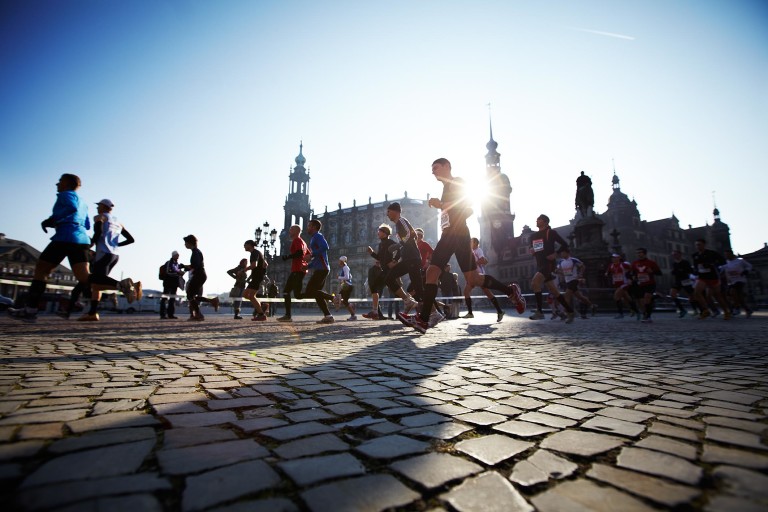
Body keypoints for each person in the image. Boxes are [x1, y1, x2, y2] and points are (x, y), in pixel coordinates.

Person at [405, 158, 523, 333]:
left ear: (447, 166)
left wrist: (441, 205)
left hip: (457, 233)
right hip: (450, 234)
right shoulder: (446, 187)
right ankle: (510, 290)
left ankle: (425, 318)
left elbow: (467, 208)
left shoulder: (458, 182)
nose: (433, 171)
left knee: (434, 272)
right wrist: (442, 207)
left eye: (436, 167)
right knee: (473, 279)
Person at [10, 175, 94, 321]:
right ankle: (120, 284)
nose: (57, 184)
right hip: (81, 239)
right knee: (84, 277)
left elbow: (71, 208)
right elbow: (87, 225)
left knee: (42, 269)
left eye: (60, 181)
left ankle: (30, 309)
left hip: (64, 237)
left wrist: (52, 219)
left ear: (67, 183)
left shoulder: (65, 195)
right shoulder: (84, 203)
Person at [77, 199, 142, 321]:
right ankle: (92, 313)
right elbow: (131, 239)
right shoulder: (118, 222)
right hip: (114, 255)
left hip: (103, 253)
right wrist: (116, 244)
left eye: (99, 205)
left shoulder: (100, 217)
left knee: (94, 279)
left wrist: (91, 244)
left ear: (104, 206)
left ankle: (126, 285)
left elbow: (98, 231)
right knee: (97, 285)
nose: (97, 208)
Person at [527, 214, 575, 323]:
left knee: (535, 283)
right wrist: (531, 250)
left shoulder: (551, 232)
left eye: (539, 220)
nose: (536, 221)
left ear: (545, 222)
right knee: (554, 291)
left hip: (548, 264)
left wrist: (556, 254)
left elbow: (564, 244)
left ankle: (539, 312)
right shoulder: (533, 236)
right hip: (540, 263)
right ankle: (570, 311)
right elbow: (532, 247)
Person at [383, 202, 421, 312]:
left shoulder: (401, 221)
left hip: (413, 258)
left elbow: (411, 233)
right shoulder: (397, 226)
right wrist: (395, 259)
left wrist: (399, 243)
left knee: (418, 288)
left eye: (388, 211)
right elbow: (402, 246)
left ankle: (432, 312)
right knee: (389, 278)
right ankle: (408, 300)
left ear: (395, 211)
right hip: (407, 259)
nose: (387, 214)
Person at [463, 237, 506, 322]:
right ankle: (470, 313)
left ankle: (500, 311)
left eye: (471, 241)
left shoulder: (478, 250)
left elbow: (483, 261)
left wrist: (474, 264)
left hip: (479, 275)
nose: (470, 243)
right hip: (473, 275)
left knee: (488, 293)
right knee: (466, 292)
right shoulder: (471, 251)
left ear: (475, 243)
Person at [276, 224, 310, 322]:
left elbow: (299, 253)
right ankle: (316, 294)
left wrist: (287, 257)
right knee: (298, 295)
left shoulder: (297, 240)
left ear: (295, 231)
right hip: (301, 270)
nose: (289, 232)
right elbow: (308, 255)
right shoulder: (304, 242)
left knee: (286, 291)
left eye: (291, 230)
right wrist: (304, 263)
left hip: (297, 270)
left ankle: (288, 316)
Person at [181, 234, 219, 321]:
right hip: (200, 275)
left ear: (189, 243)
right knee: (192, 296)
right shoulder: (196, 252)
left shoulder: (195, 252)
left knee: (190, 295)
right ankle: (212, 301)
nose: (185, 245)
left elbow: (195, 265)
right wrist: (184, 267)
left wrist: (184, 267)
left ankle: (199, 314)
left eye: (185, 243)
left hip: (199, 275)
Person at [304, 219, 335, 323]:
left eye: (309, 226)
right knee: (317, 294)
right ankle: (328, 316)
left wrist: (311, 254)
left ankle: (333, 298)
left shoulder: (318, 236)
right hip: (321, 268)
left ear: (314, 227)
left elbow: (325, 247)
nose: (307, 228)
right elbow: (318, 258)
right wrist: (307, 266)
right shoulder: (314, 238)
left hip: (322, 268)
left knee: (309, 291)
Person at [692, 239, 731, 320]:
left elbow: (723, 261)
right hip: (702, 276)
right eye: (696, 245)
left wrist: (713, 264)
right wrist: (696, 271)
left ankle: (726, 312)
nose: (698, 246)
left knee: (717, 296)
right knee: (696, 292)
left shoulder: (711, 253)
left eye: (699, 244)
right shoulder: (695, 255)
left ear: (704, 245)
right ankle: (706, 310)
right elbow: (696, 265)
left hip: (712, 276)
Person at [365, 225, 397, 319]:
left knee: (395, 289)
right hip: (384, 270)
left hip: (388, 270)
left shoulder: (390, 242)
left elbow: (400, 249)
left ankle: (409, 300)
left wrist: (395, 260)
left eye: (379, 231)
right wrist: (372, 253)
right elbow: (379, 258)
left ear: (385, 233)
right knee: (374, 287)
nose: (377, 233)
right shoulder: (381, 244)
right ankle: (375, 312)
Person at [556, 247, 595, 319]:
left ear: (567, 253)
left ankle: (565, 312)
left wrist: (580, 274)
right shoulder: (561, 261)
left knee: (567, 295)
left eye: (563, 252)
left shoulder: (573, 260)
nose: (561, 254)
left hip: (574, 280)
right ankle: (592, 305)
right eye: (561, 253)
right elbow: (558, 270)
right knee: (580, 297)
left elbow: (583, 266)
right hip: (567, 281)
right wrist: (560, 272)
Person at [630, 247, 662, 323]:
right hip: (640, 284)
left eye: (640, 252)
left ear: (644, 253)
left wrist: (652, 271)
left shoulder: (651, 263)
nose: (639, 254)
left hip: (650, 284)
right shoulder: (634, 263)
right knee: (643, 301)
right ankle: (645, 313)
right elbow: (633, 273)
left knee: (647, 298)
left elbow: (659, 273)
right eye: (637, 253)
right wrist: (633, 277)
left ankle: (648, 317)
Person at [721, 249, 753, 317]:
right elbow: (722, 269)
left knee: (733, 292)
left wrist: (746, 271)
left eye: (727, 254)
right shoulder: (726, 262)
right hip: (731, 282)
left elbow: (749, 266)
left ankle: (736, 308)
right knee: (738, 297)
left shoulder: (740, 261)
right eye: (725, 255)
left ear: (732, 254)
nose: (726, 256)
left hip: (740, 280)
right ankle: (747, 309)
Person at [605, 253, 637, 319]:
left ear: (619, 258)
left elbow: (633, 270)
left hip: (624, 283)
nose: (613, 259)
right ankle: (636, 310)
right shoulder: (611, 265)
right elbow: (608, 272)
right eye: (612, 258)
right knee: (626, 298)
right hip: (616, 284)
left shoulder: (623, 264)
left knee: (616, 296)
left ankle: (620, 313)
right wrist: (606, 274)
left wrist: (630, 278)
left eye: (615, 257)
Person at [243, 240, 268, 321]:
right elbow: (265, 264)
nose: (244, 247)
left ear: (249, 245)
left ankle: (261, 311)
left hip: (257, 277)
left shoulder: (254, 253)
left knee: (247, 295)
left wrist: (244, 269)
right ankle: (261, 311)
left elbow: (254, 265)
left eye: (245, 245)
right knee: (250, 296)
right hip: (257, 276)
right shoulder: (258, 252)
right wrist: (261, 273)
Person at [669, 250, 696, 318]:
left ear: (680, 255)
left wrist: (682, 270)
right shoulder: (674, 263)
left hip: (685, 280)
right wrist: (674, 272)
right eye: (673, 255)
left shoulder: (685, 262)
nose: (674, 256)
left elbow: (690, 270)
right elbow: (674, 272)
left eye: (675, 254)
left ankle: (696, 310)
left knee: (691, 296)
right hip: (678, 281)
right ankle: (682, 310)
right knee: (672, 294)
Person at [160, 250, 185, 319]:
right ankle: (163, 315)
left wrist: (179, 273)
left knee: (172, 299)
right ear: (173, 255)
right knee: (165, 298)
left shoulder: (176, 264)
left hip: (174, 283)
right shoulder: (169, 263)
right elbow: (168, 272)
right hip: (168, 283)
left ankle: (170, 314)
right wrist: (178, 273)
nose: (178, 256)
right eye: (177, 255)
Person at [336, 256, 357, 320]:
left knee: (343, 300)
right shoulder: (345, 268)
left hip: (347, 286)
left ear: (342, 261)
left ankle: (353, 315)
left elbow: (347, 277)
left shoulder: (345, 267)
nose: (338, 262)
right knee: (339, 298)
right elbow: (350, 276)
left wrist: (339, 277)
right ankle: (352, 306)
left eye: (339, 261)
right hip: (346, 286)